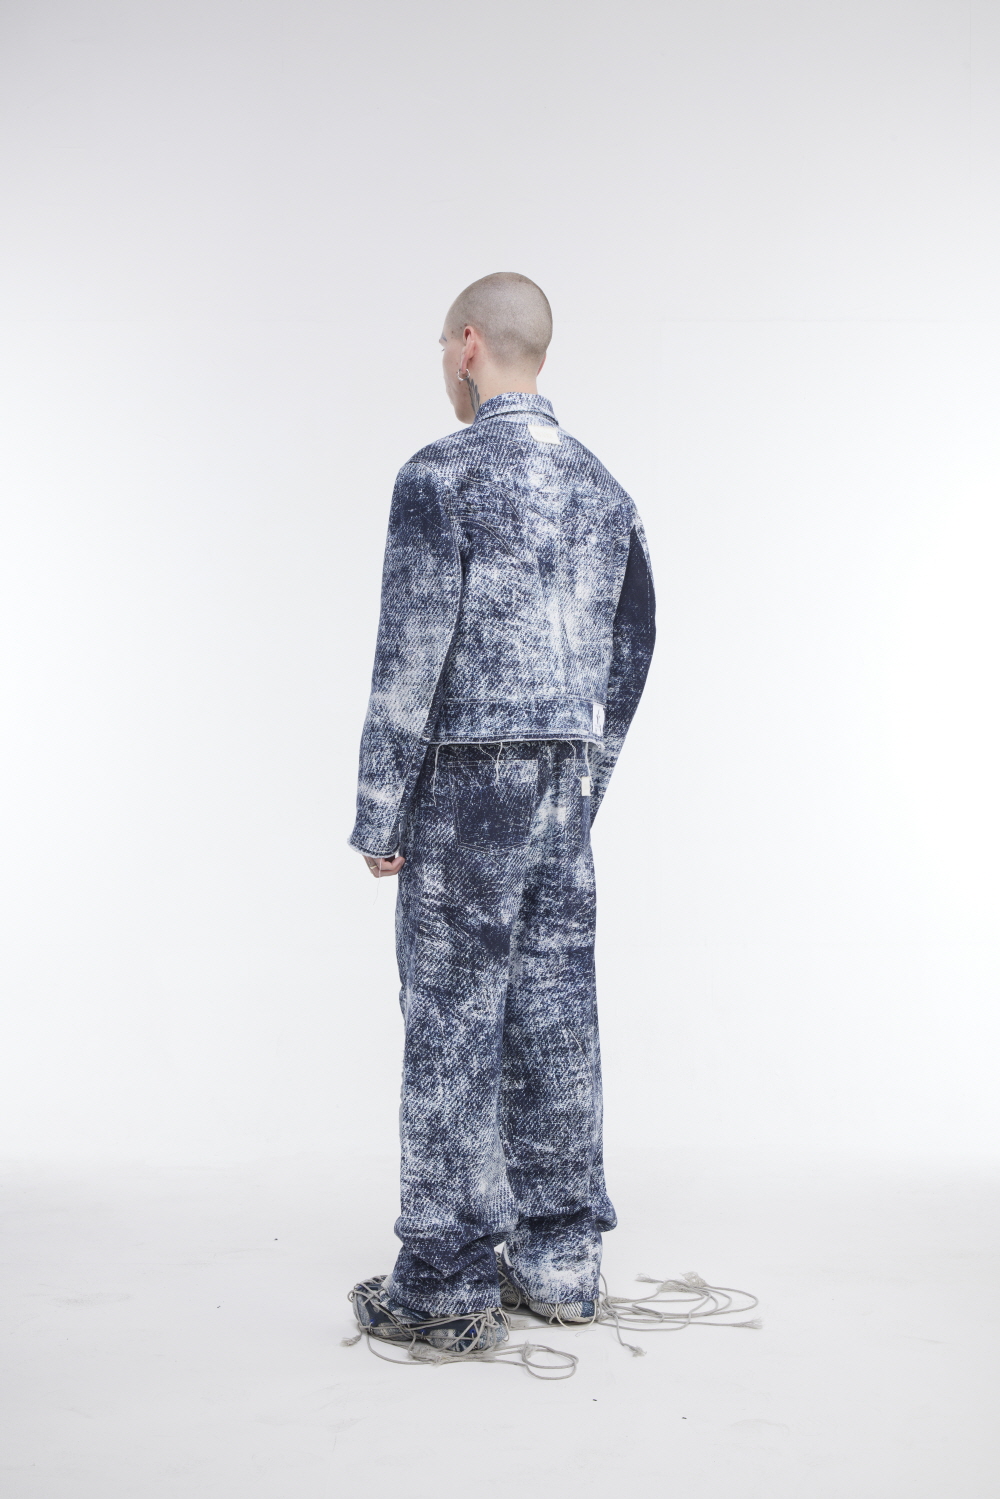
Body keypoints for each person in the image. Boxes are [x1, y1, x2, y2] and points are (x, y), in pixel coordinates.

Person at [347, 272, 656, 1354]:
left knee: (451, 1023)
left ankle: (443, 1282)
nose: (445, 363)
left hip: (464, 788)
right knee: (555, 1011)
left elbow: (410, 652)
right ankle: (562, 1262)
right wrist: (583, 777)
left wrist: (381, 805)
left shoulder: (441, 475)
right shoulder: (603, 488)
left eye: (445, 345)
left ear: (469, 344)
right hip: (560, 790)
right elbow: (633, 648)